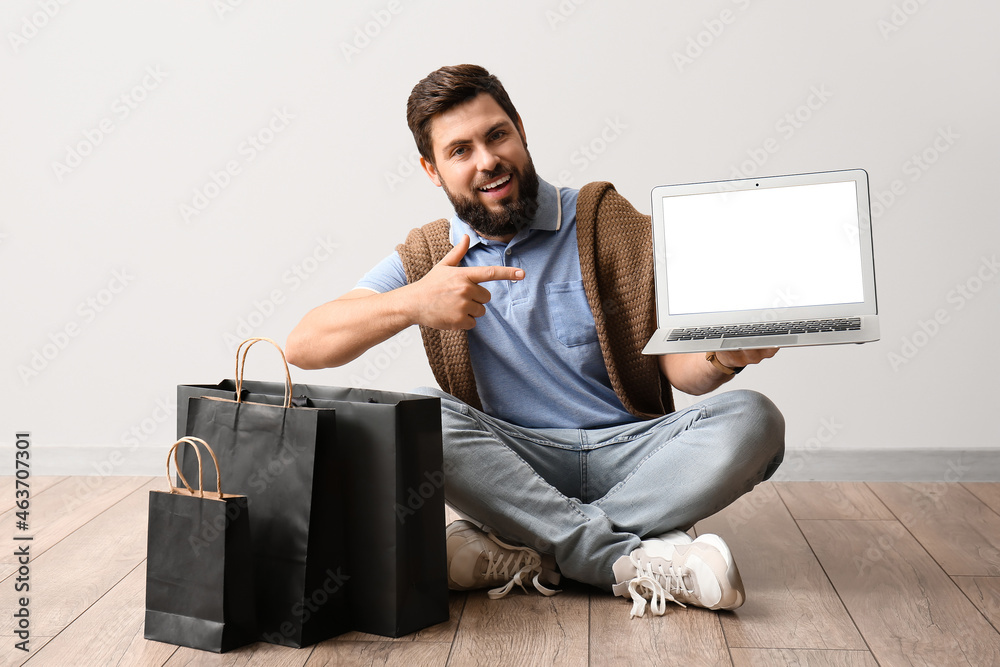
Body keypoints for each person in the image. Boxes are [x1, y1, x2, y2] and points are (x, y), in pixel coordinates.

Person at [286, 64, 784, 618]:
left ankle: (532, 552)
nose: (486, 160)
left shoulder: (605, 223)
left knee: (755, 419)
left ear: (520, 129)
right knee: (418, 413)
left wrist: (721, 356)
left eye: (496, 135)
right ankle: (624, 558)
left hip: (634, 454)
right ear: (432, 170)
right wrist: (413, 302)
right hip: (516, 464)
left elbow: (676, 369)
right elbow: (304, 345)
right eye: (460, 150)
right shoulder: (430, 256)